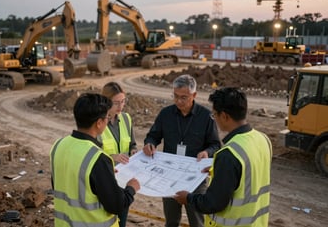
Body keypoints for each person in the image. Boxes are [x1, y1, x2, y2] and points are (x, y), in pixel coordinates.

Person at [173, 87, 272, 227]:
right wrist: (218, 170)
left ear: (224, 116)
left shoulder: (229, 154)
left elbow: (212, 203)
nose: (214, 119)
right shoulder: (263, 139)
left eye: (214, 115)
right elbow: (246, 175)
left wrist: (188, 198)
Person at [50, 93, 140, 227]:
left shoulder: (58, 145)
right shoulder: (98, 158)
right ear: (99, 123)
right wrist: (131, 188)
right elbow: (116, 205)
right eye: (107, 118)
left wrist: (103, 176)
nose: (108, 120)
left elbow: (62, 183)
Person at [142, 74, 221, 227]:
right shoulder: (166, 114)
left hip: (195, 179)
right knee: (171, 221)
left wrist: (207, 153)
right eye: (175, 96)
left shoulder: (206, 117)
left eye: (183, 97)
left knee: (197, 222)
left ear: (194, 95)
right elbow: (153, 136)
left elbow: (215, 145)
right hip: (169, 177)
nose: (178, 101)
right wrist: (149, 144)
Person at [99, 82, 138, 227]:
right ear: (106, 101)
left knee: (122, 218)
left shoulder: (126, 118)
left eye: (123, 101)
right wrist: (112, 157)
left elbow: (132, 143)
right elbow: (91, 153)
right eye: (116, 103)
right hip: (106, 180)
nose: (121, 107)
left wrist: (133, 150)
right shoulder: (98, 123)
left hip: (124, 179)